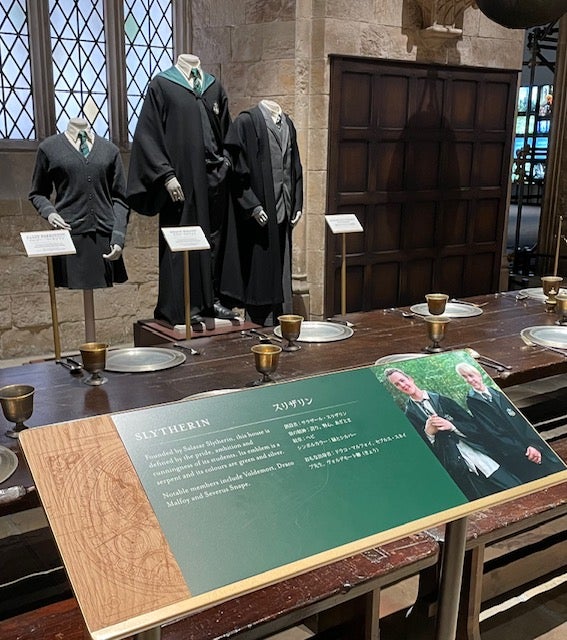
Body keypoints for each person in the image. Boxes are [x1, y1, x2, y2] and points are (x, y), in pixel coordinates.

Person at [126, 53, 240, 326]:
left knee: (214, 238)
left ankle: (212, 300)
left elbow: (227, 132)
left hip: (214, 178)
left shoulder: (213, 87)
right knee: (183, 239)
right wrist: (166, 174)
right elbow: (148, 135)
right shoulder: (163, 85)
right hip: (182, 180)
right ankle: (183, 306)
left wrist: (226, 163)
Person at [384, 367, 522, 500]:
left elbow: (475, 426)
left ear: (410, 379)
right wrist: (429, 434)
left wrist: (452, 426)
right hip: (460, 471)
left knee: (515, 488)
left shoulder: (443, 400)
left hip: (483, 457)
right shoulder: (409, 415)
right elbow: (422, 453)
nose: (402, 385)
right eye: (397, 384)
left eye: (402, 380)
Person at [224, 99, 303, 326]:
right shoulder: (247, 122)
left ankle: (283, 320)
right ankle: (260, 323)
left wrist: (297, 204)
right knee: (260, 270)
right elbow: (236, 171)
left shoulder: (288, 124)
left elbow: (295, 166)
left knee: (282, 266)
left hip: (283, 209)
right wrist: (252, 205)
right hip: (259, 215)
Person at [29, 117, 129, 289]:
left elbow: (121, 198)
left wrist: (118, 236)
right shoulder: (49, 148)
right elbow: (37, 193)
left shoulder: (110, 150)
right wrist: (50, 213)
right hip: (69, 235)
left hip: (103, 236)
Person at [456, 362, 564, 481]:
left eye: (471, 375)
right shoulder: (473, 401)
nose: (469, 380)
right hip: (516, 454)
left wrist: (534, 445)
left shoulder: (498, 393)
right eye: (465, 377)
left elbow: (522, 420)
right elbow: (492, 431)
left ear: (478, 375)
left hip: (535, 446)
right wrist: (525, 450)